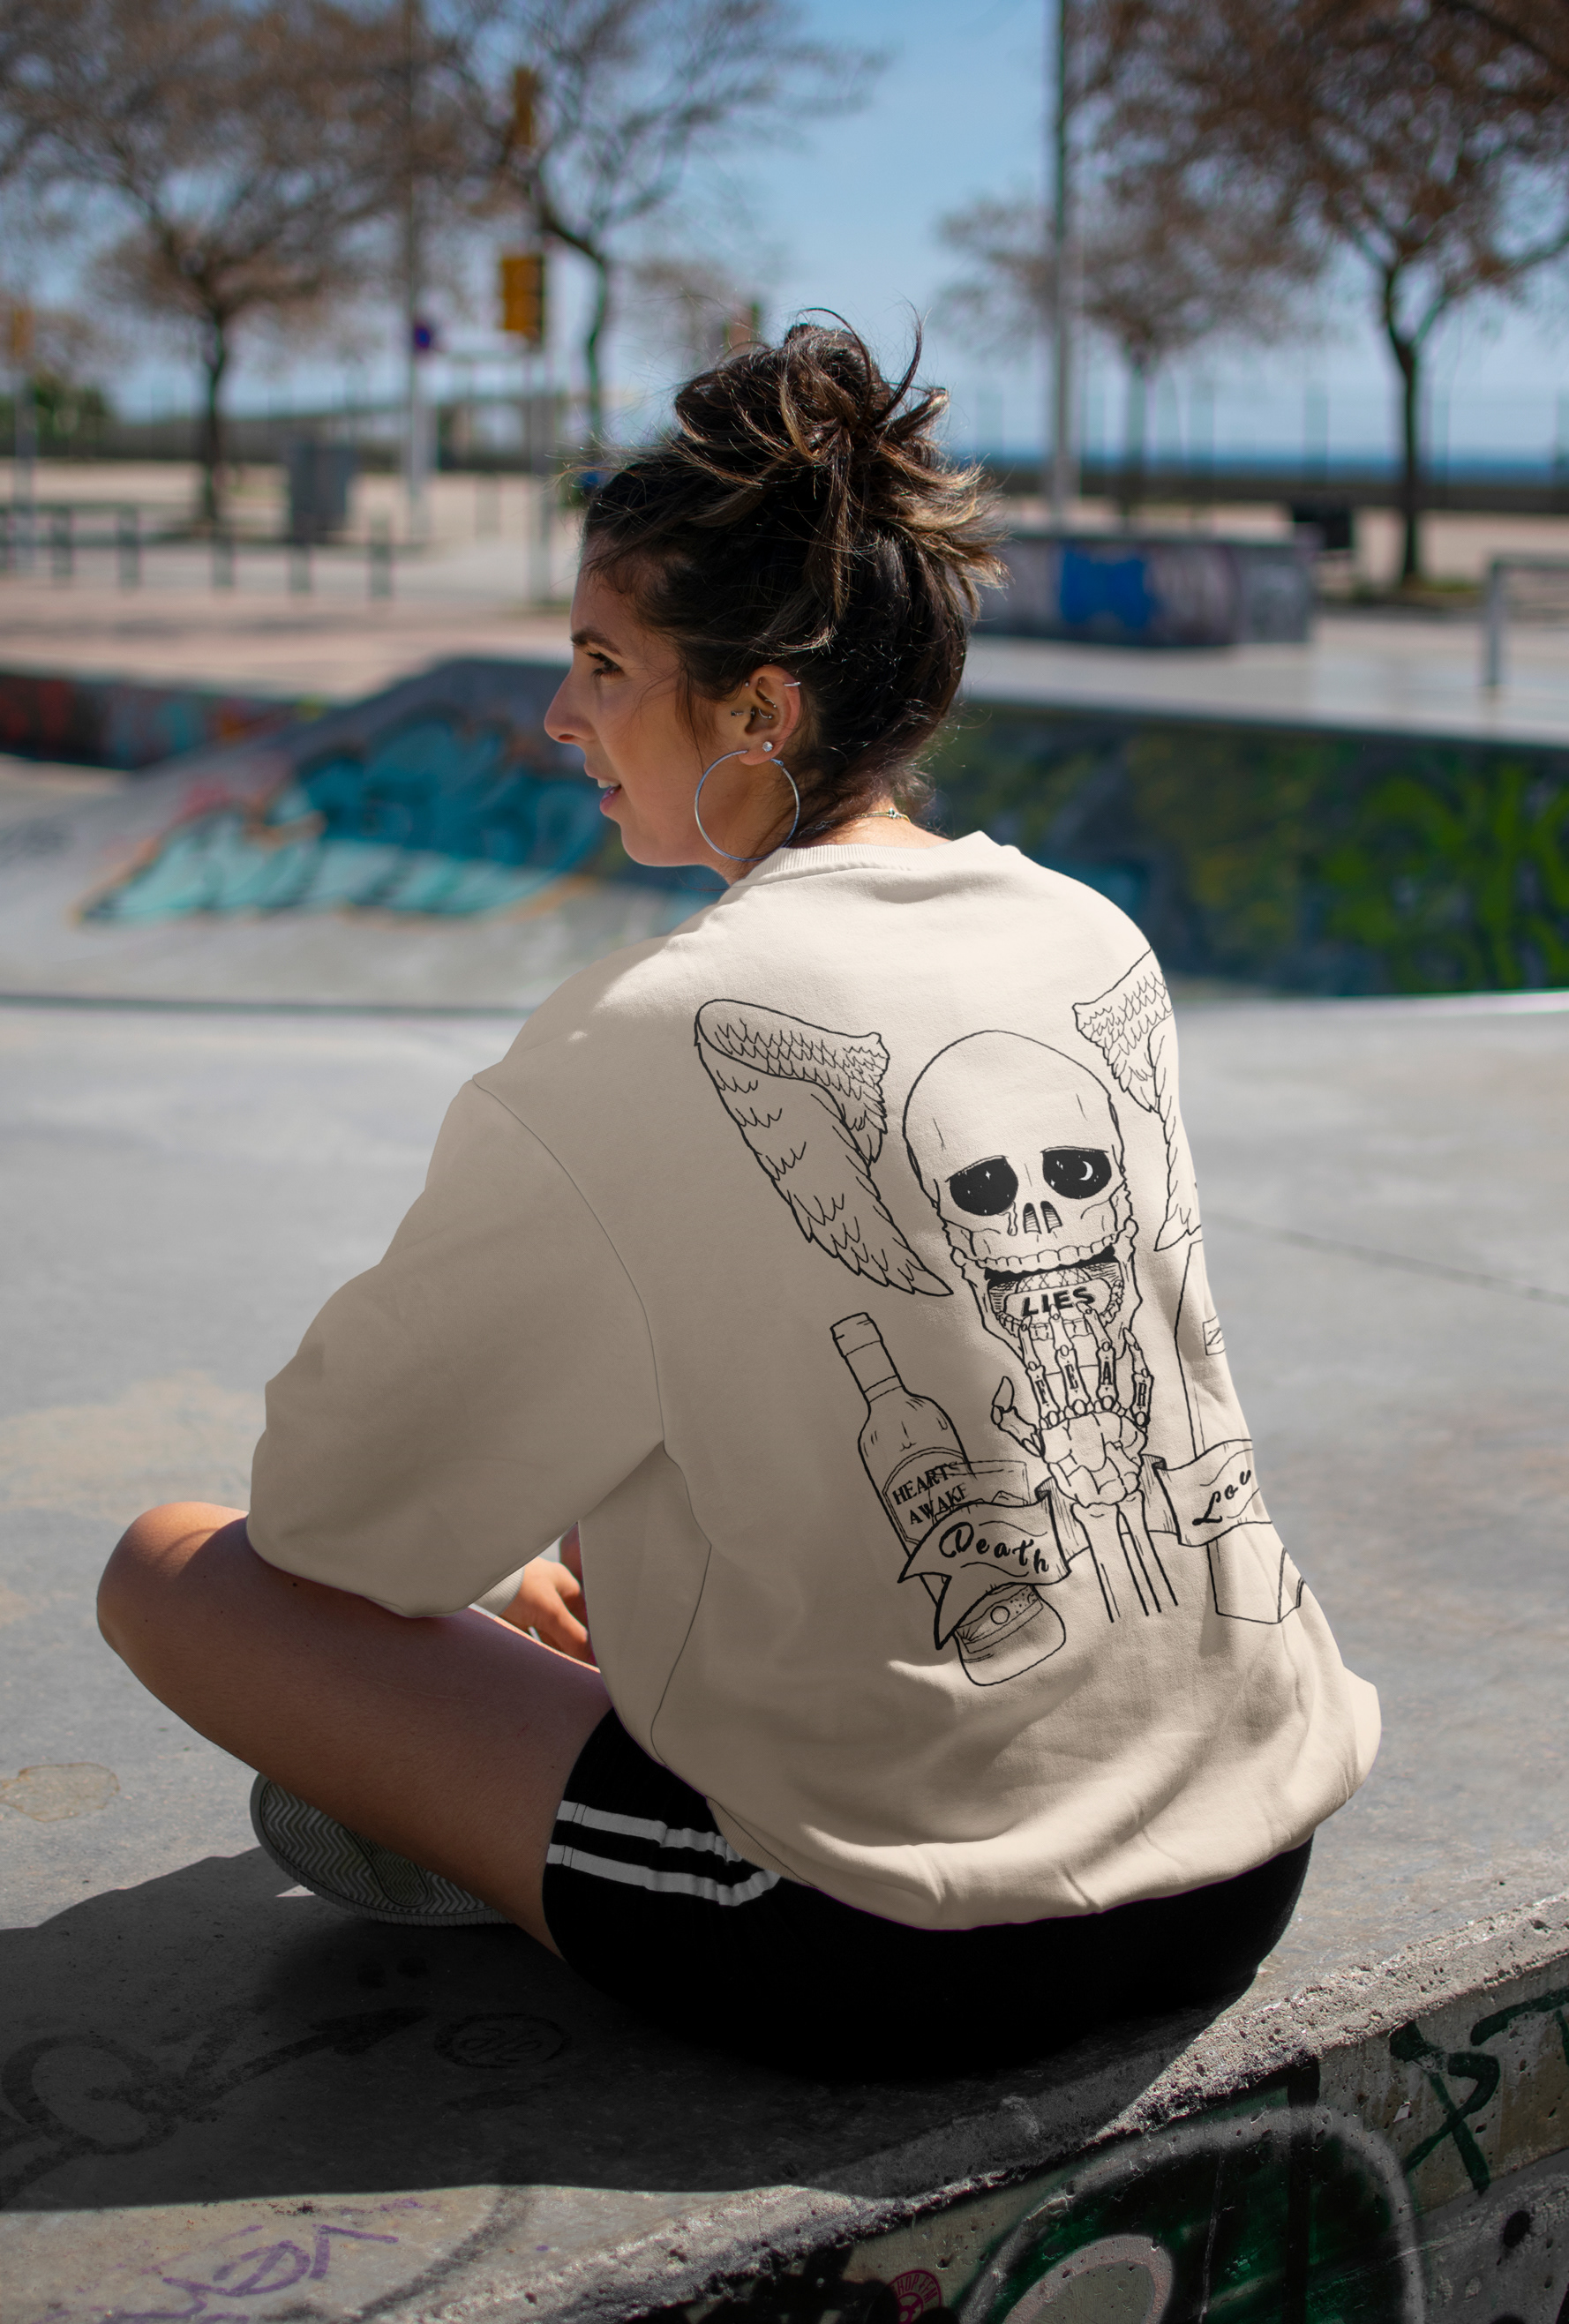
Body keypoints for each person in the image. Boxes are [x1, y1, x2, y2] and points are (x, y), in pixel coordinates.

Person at [98, 322, 1379, 2079]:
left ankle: (497, 1824)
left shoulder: (654, 1033)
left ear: (761, 711)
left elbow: (331, 1522)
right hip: (1246, 1847)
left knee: (177, 1572)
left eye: (602, 664)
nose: (559, 715)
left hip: (914, 1932)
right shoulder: (1090, 939)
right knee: (619, 1505)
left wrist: (499, 1588)